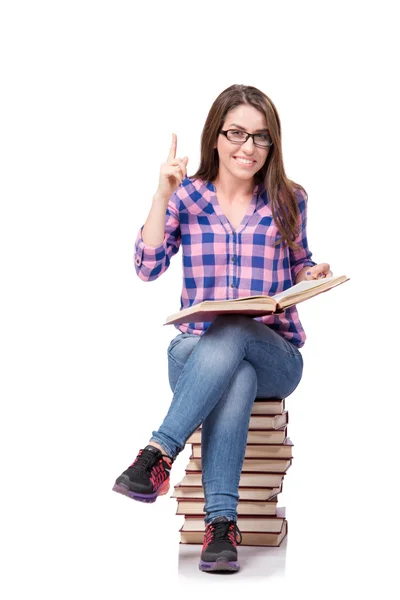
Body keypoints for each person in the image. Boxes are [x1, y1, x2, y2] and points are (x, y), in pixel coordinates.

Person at [112, 84, 332, 573]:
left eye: (260, 137)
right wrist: (160, 194)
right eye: (237, 133)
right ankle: (221, 527)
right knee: (235, 373)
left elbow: (301, 263)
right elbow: (147, 266)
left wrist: (308, 275)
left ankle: (157, 454)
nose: (247, 148)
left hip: (276, 354)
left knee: (235, 331)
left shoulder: (287, 198)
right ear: (215, 136)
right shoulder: (187, 196)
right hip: (197, 352)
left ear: (272, 143)